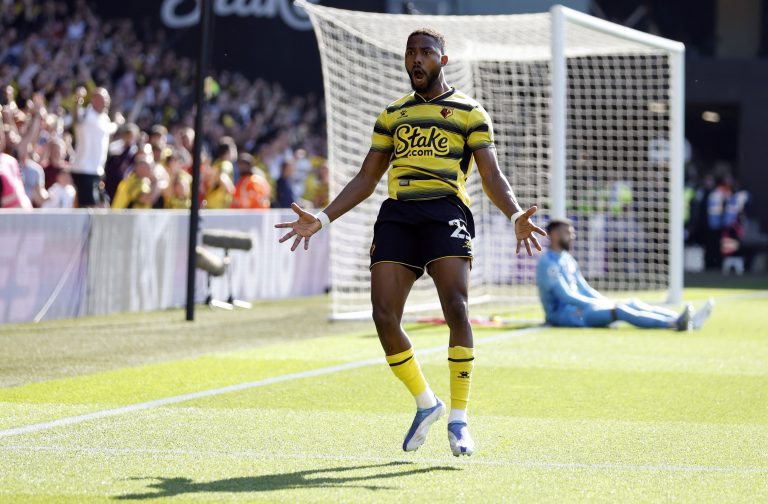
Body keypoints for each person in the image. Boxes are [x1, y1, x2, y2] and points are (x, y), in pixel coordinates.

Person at [276, 28, 545, 457]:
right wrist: (323, 218)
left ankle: (459, 419)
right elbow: (367, 178)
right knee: (383, 315)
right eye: (411, 53)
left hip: (446, 212)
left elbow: (491, 174)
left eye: (426, 53)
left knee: (456, 307)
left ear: (443, 59)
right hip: (398, 214)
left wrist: (514, 214)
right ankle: (426, 403)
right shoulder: (392, 115)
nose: (417, 60)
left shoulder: (470, 112)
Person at [537, 219, 714, 331]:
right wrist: (595, 303)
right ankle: (673, 323)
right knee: (620, 310)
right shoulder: (548, 263)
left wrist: (602, 300)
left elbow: (584, 287)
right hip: (565, 315)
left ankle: (686, 320)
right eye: (567, 233)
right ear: (554, 235)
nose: (572, 236)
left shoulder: (567, 259)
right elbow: (565, 295)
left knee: (632, 303)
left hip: (581, 308)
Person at [70, 87, 117, 207]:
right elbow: (76, 119)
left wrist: (117, 123)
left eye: (106, 99)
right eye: (102, 99)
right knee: (87, 208)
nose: (105, 102)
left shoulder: (105, 118)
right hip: (84, 170)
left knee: (101, 205)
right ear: (93, 100)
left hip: (97, 170)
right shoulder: (86, 114)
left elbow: (111, 129)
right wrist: (78, 101)